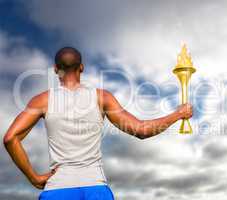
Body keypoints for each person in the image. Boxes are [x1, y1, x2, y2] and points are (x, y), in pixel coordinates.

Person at [3, 47, 193, 200]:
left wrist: (34, 178)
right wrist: (178, 114)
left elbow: (10, 138)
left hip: (57, 188)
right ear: (82, 67)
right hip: (95, 189)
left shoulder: (42, 100)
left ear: (55, 69)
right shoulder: (102, 98)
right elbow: (141, 130)